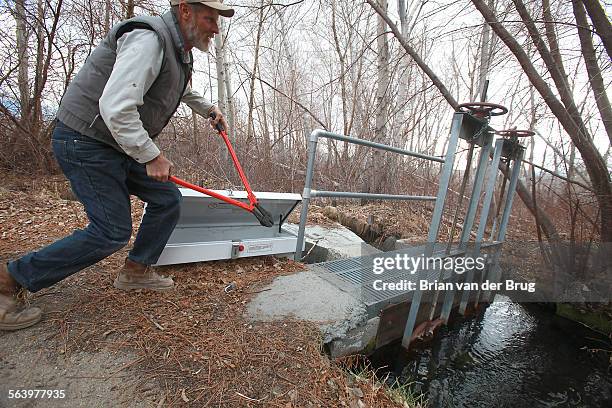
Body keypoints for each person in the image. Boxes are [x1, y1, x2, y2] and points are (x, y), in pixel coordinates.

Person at [0, 0, 235, 331]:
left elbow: (177, 87)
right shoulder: (149, 39)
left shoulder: (177, 49)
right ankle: (9, 280)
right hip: (87, 140)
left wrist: (208, 108)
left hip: (117, 142)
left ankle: (136, 271)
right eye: (209, 18)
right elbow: (115, 107)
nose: (215, 27)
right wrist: (151, 155)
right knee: (111, 231)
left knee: (167, 199)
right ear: (185, 11)